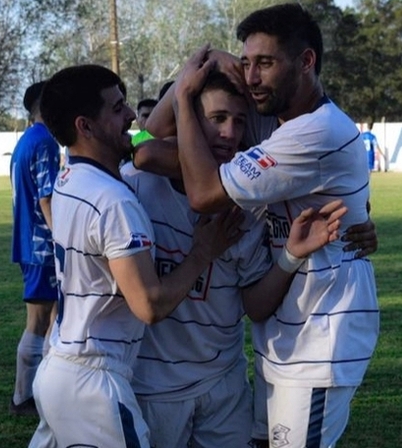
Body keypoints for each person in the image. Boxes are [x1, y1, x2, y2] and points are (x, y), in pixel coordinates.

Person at [157, 3, 380, 447]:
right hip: (281, 336)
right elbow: (149, 131)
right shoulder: (271, 117)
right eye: (246, 63)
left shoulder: (316, 132)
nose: (252, 77)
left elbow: (202, 192)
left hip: (322, 338)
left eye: (265, 63)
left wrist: (184, 94)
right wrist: (208, 62)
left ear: (306, 62)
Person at [27, 64, 246, 448]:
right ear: (86, 126)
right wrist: (203, 251)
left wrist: (184, 85)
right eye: (117, 108)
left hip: (59, 367)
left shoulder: (72, 179)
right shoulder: (116, 201)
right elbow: (149, 305)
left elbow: (145, 140)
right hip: (94, 380)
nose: (132, 116)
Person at [125, 70, 347, 448]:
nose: (230, 133)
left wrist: (291, 255)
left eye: (239, 120)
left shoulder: (250, 200)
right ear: (189, 121)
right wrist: (193, 73)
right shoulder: (132, 187)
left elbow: (255, 306)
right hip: (154, 388)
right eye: (217, 119)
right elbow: (141, 143)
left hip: (223, 386)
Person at [8, 80, 61, 416]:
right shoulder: (45, 143)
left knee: (55, 320)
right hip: (42, 246)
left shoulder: (25, 141)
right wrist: (64, 237)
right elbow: (46, 196)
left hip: (29, 242)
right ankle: (23, 398)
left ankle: (45, 393)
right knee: (40, 321)